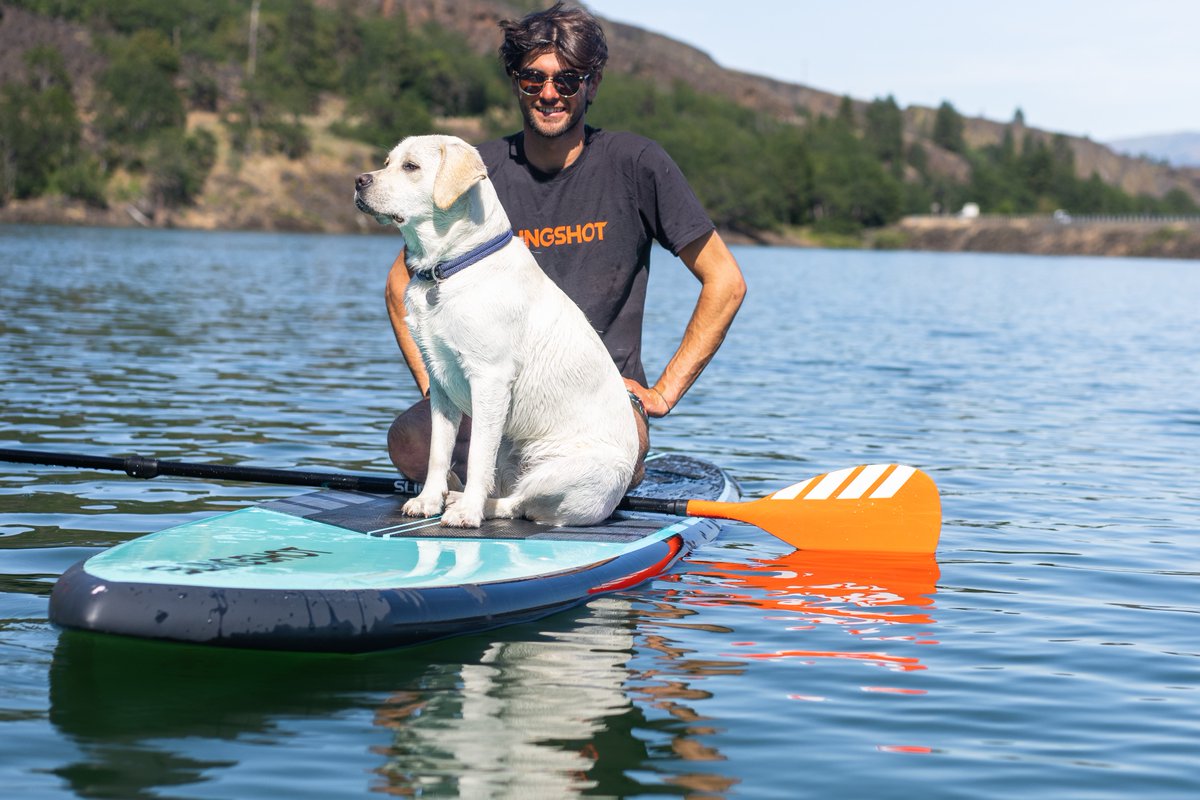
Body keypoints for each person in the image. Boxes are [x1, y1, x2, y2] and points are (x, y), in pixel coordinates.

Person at [384, 2, 746, 484]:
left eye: (568, 79)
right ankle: (473, 504)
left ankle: (524, 495)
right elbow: (399, 282)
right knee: (408, 442)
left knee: (615, 453)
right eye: (533, 78)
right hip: (492, 396)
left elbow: (725, 281)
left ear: (591, 85)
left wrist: (662, 392)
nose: (549, 93)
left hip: (594, 404)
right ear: (516, 81)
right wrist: (440, 388)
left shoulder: (635, 163)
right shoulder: (477, 172)